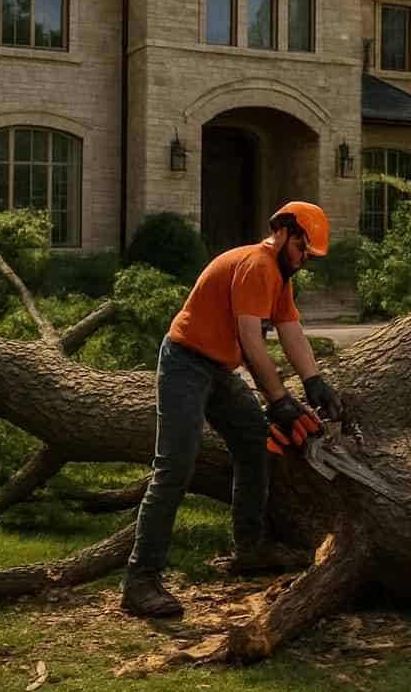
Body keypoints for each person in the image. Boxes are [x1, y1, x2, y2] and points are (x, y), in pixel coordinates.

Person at [121, 201, 346, 618]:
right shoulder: (257, 265)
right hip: (185, 363)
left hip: (219, 370)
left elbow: (290, 331)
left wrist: (315, 383)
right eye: (301, 250)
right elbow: (251, 342)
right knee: (175, 466)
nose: (303, 261)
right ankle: (140, 580)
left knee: (252, 442)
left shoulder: (280, 275)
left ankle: (250, 547)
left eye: (308, 255)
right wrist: (279, 401)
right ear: (282, 234)